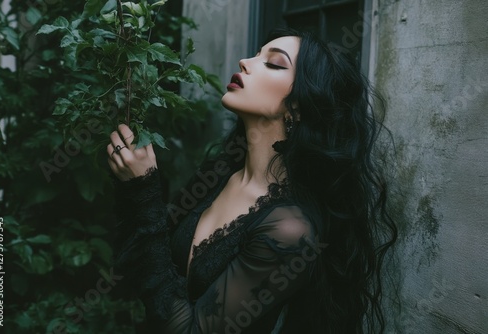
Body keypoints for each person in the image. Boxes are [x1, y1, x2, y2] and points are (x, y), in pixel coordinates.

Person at [107, 27, 397, 333]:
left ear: (298, 106)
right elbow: (145, 265)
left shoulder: (289, 231)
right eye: (256, 54)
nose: (245, 61)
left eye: (273, 63)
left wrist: (142, 191)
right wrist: (131, 185)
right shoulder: (218, 174)